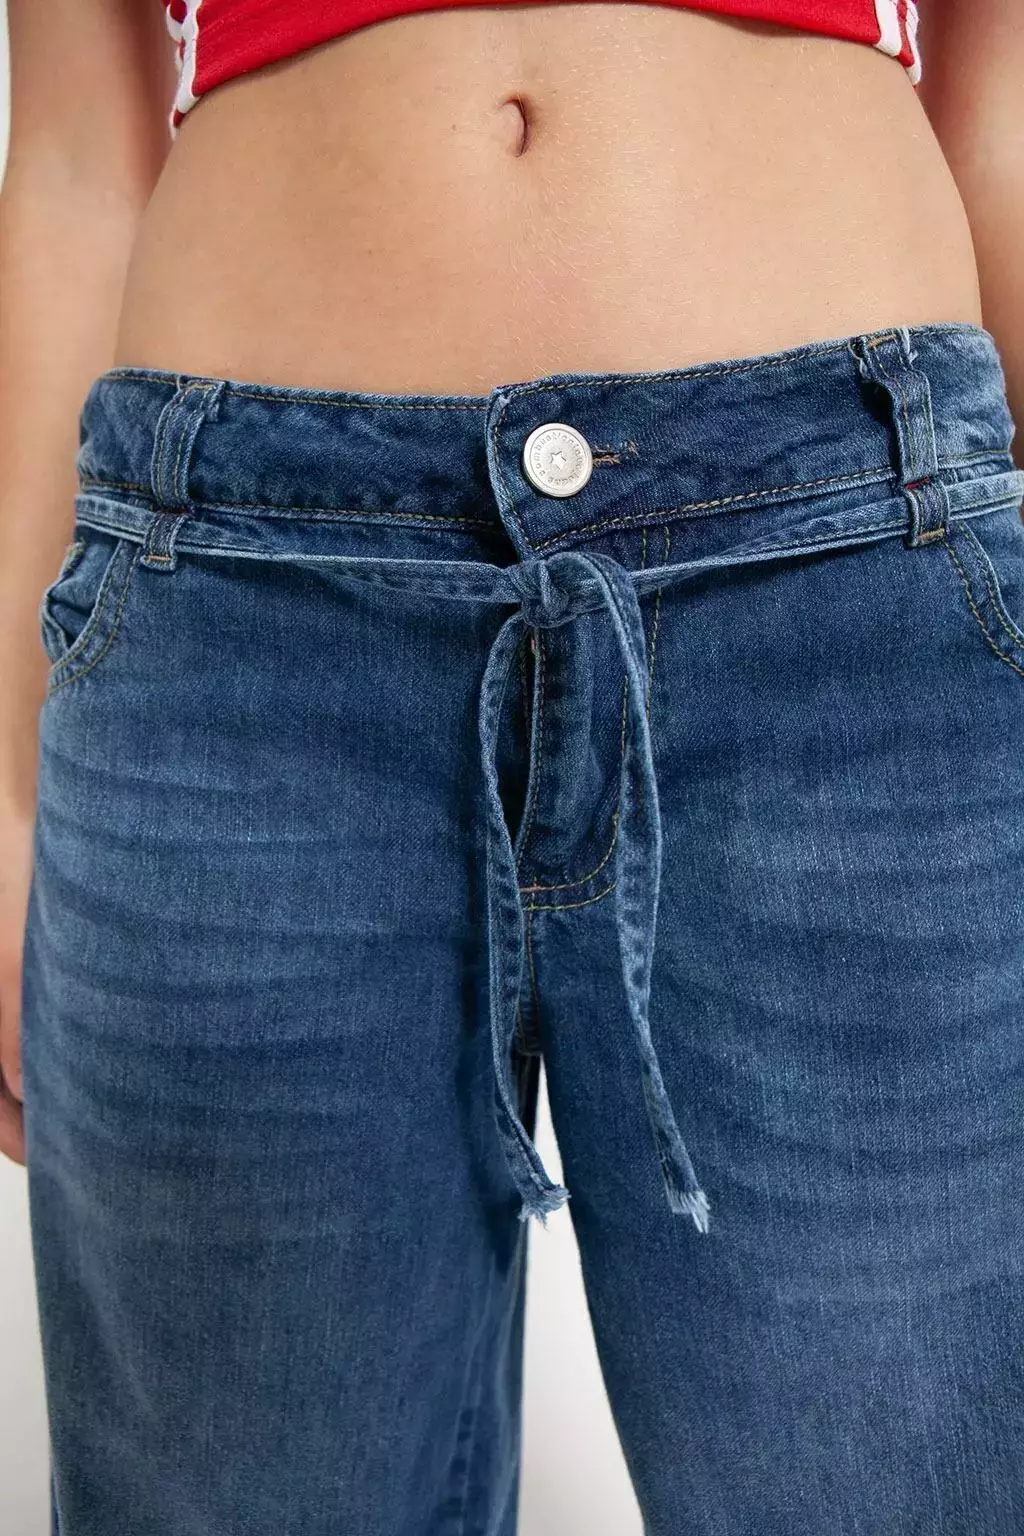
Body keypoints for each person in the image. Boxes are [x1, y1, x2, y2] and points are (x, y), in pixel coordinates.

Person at [2, 0, 1023, 1530]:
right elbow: (77, 161)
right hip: (235, 616)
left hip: (846, 586)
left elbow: (1005, 108)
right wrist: (6, 794)